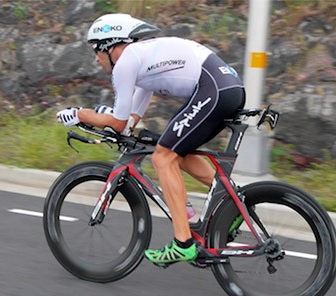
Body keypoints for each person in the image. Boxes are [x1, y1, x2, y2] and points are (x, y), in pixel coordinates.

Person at [57, 13, 246, 267]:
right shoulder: (142, 60)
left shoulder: (125, 63)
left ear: (110, 46)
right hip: (227, 87)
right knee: (175, 151)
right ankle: (234, 204)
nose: (95, 57)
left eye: (96, 50)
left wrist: (80, 114)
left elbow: (118, 122)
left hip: (213, 88)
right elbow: (130, 119)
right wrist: (113, 122)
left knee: (163, 158)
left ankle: (183, 243)